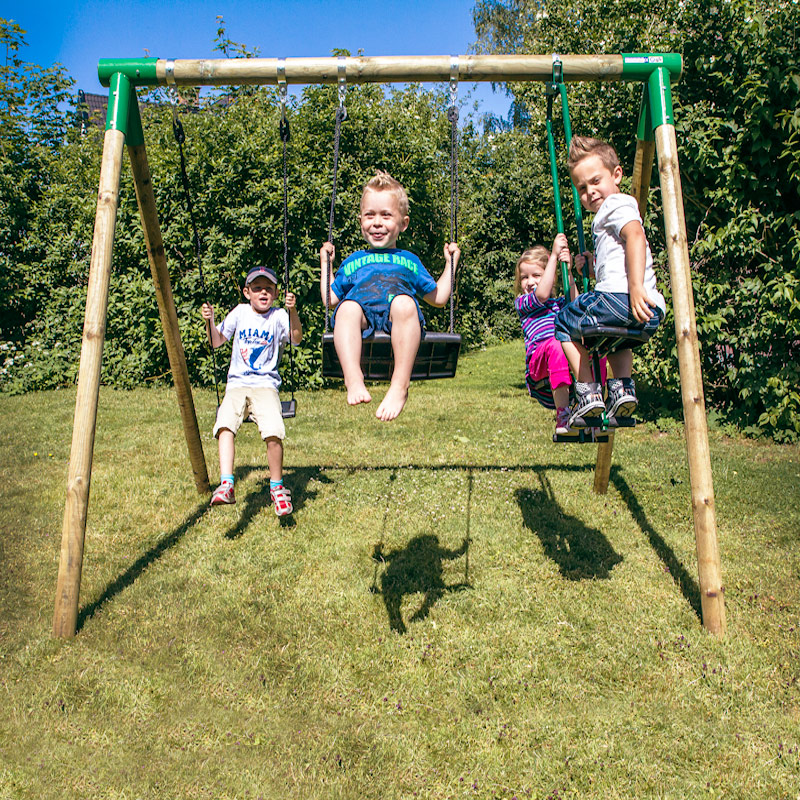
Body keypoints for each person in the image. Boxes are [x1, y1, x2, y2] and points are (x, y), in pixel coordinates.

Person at [319, 171, 460, 422]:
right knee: (346, 308)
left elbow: (438, 298)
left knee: (405, 302)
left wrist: (451, 263)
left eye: (386, 215)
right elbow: (330, 299)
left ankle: (399, 385)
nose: (377, 222)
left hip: (398, 319)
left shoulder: (409, 261)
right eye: (370, 215)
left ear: (403, 224)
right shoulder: (353, 261)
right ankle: (353, 379)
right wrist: (325, 264)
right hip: (362, 317)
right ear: (361, 220)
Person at [555, 136, 666, 427]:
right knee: (617, 339)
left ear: (616, 175)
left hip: (626, 297)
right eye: (582, 188)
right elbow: (616, 262)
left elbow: (635, 237)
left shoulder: (616, 204)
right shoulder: (615, 208)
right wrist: (591, 269)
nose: (590, 192)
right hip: (648, 311)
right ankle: (622, 390)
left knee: (564, 322)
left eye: (595, 181)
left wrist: (636, 286)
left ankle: (588, 393)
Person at [201, 266, 303, 515]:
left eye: (268, 289)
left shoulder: (279, 316)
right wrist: (209, 321)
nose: (263, 293)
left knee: (274, 430)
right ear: (247, 293)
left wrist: (293, 311)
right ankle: (227, 484)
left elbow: (297, 338)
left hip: (266, 385)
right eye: (257, 289)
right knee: (225, 424)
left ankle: (277, 488)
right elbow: (216, 341)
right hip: (237, 384)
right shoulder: (240, 312)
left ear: (276, 293)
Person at [515, 233, 607, 435]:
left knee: (596, 350)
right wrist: (554, 257)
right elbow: (541, 295)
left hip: (562, 365)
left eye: (536, 275)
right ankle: (563, 415)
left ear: (549, 276)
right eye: (524, 277)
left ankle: (594, 405)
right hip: (539, 366)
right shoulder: (524, 302)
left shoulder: (558, 304)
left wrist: (569, 272)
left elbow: (578, 306)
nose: (529, 282)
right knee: (557, 344)